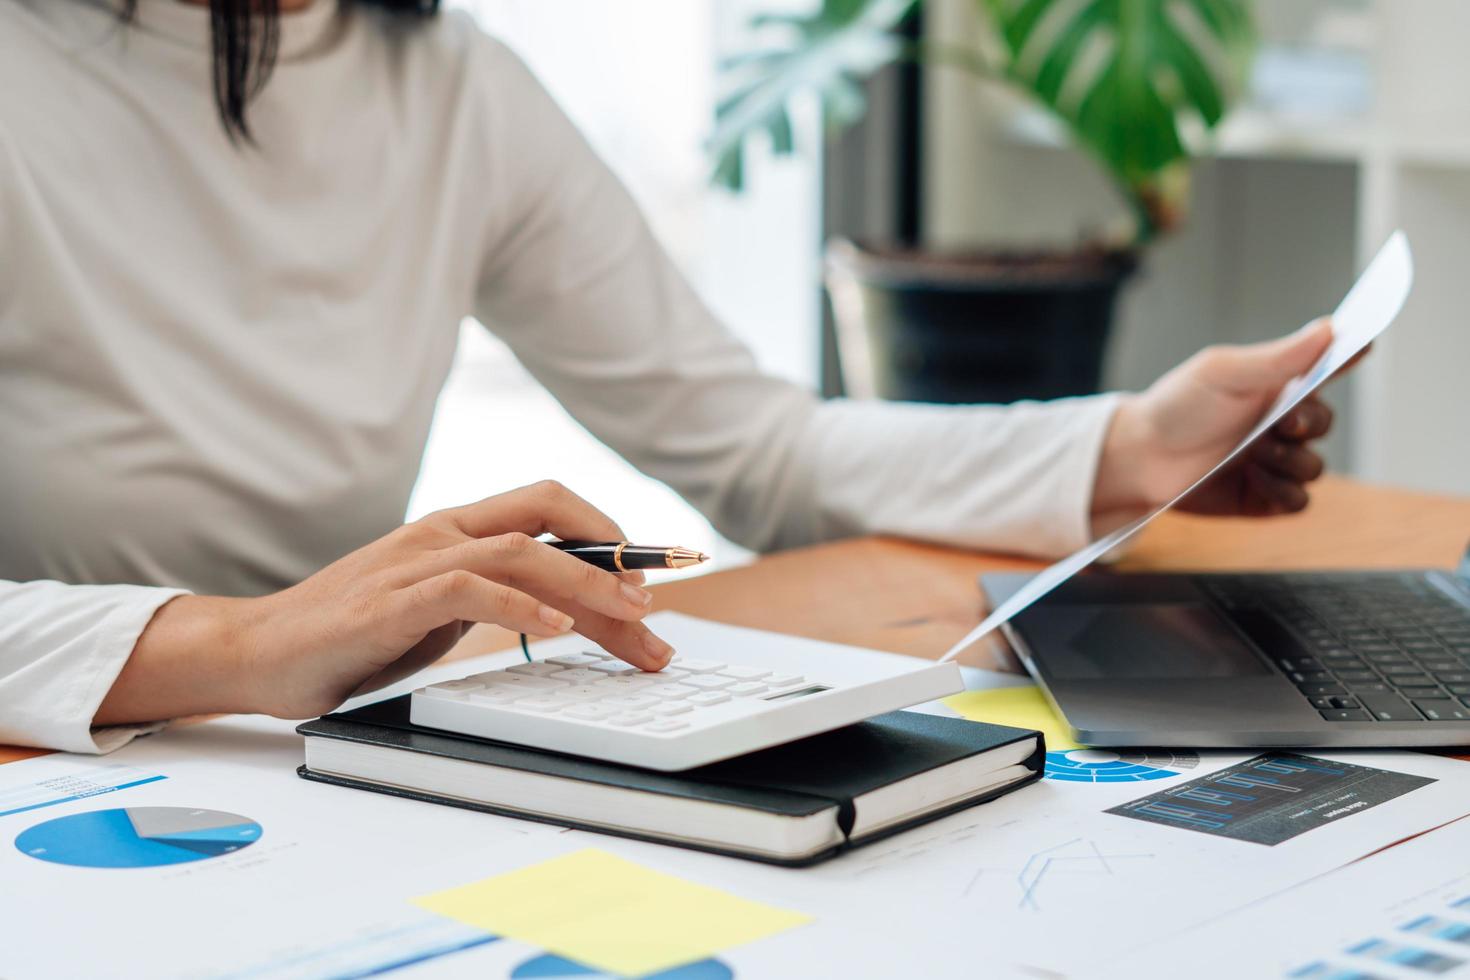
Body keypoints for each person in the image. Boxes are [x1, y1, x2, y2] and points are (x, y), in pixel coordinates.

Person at [0, 0, 1341, 754]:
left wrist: (1124, 449)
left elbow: (749, 446)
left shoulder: (454, 82)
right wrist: (240, 644)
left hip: (299, 767)